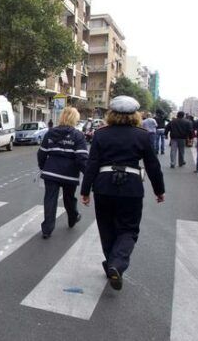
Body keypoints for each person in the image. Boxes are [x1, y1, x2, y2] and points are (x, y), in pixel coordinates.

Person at [81, 96, 165, 291]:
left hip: (104, 186)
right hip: (131, 188)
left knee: (106, 228)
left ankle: (112, 263)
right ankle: (116, 264)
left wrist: (85, 190)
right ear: (135, 115)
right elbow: (153, 165)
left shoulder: (101, 134)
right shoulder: (142, 135)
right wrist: (159, 190)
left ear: (111, 114)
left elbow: (92, 164)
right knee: (128, 229)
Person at [37, 107, 88, 238]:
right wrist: (89, 175)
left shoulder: (50, 133)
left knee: (50, 199)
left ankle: (47, 230)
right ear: (74, 119)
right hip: (69, 174)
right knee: (69, 198)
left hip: (51, 172)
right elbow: (82, 158)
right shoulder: (78, 135)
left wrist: (43, 167)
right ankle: (73, 217)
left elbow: (41, 153)